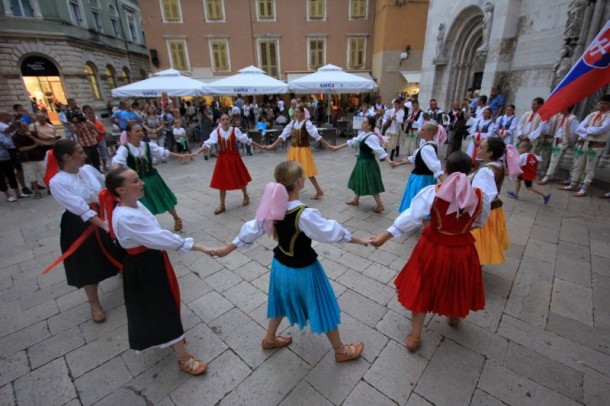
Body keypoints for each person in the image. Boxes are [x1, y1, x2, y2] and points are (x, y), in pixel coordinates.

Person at [208, 161, 368, 362]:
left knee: (281, 301)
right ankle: (341, 350)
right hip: (303, 269)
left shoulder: (273, 207)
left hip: (280, 266)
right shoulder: (303, 214)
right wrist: (361, 240)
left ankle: (269, 339)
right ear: (301, 182)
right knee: (320, 303)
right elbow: (331, 232)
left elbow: (252, 230)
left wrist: (226, 249)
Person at [370, 151, 497, 352]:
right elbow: (480, 222)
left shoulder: (433, 192)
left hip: (433, 247)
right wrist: (460, 228)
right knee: (456, 283)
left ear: (446, 171)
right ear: (471, 171)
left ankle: (415, 335)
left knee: (422, 287)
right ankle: (454, 317)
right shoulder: (481, 196)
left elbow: (411, 216)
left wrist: (384, 237)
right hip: (463, 248)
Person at [105, 167, 209, 376]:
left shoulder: (133, 207)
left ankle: (168, 339)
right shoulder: (126, 216)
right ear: (121, 190)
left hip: (148, 260)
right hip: (145, 266)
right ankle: (183, 357)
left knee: (160, 305)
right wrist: (200, 247)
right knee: (162, 307)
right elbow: (159, 237)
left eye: (139, 179)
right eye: (135, 181)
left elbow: (156, 234)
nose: (141, 183)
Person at [47, 140, 122, 322]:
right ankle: (94, 304)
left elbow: (106, 186)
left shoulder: (87, 169)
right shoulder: (57, 182)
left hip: (103, 212)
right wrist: (104, 225)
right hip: (80, 223)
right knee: (89, 263)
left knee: (120, 248)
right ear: (66, 157)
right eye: (80, 153)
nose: (85, 155)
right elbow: (81, 209)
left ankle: (125, 274)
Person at [111, 123, 185, 231]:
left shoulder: (147, 145)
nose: (141, 133)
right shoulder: (125, 148)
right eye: (137, 131)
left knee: (164, 197)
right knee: (144, 204)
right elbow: (118, 161)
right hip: (137, 182)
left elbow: (163, 152)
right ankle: (151, 227)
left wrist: (181, 155)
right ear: (129, 133)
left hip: (153, 177)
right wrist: (114, 175)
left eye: (141, 130)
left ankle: (176, 218)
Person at [194, 114, 264, 214]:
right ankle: (222, 205)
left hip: (234, 158)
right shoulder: (216, 132)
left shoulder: (235, 130)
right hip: (222, 159)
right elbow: (208, 144)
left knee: (240, 177)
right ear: (220, 122)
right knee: (222, 182)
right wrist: (197, 152)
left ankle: (245, 195)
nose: (225, 121)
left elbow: (247, 141)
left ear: (229, 120)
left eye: (227, 119)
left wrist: (261, 146)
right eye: (223, 119)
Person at [267, 106, 334, 200]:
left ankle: (319, 191)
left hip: (303, 150)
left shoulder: (307, 123)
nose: (295, 114)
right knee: (290, 171)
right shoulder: (293, 123)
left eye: (298, 112)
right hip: (293, 150)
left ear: (303, 113)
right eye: (295, 112)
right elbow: (283, 135)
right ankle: (289, 191)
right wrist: (273, 145)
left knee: (308, 172)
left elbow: (317, 136)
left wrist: (329, 146)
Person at [470, 137, 517, 265]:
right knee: (484, 241)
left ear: (490, 153)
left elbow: (483, 194)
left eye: (481, 147)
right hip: (495, 208)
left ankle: (474, 268)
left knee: (478, 241)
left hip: (485, 210)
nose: (478, 148)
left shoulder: (486, 170)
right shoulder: (498, 165)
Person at [332, 116, 387, 213]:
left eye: (364, 122)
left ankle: (379, 204)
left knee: (370, 181)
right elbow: (353, 142)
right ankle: (356, 199)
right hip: (362, 161)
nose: (362, 123)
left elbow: (379, 150)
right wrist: (337, 147)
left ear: (369, 126)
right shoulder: (363, 135)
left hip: (367, 163)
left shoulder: (372, 137)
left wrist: (389, 160)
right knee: (358, 178)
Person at [561, 95, 610, 197]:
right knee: (579, 164)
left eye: (605, 104)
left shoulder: (608, 116)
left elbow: (602, 129)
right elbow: (579, 128)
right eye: (601, 103)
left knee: (589, 168)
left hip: (597, 145)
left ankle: (584, 188)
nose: (602, 105)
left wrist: (587, 130)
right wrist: (590, 131)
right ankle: (574, 183)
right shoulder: (592, 115)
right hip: (586, 142)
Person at [392, 122, 445, 213]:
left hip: (421, 180)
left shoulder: (427, 148)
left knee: (418, 203)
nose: (420, 131)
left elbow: (436, 167)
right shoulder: (426, 146)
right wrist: (398, 163)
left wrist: (445, 184)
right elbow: (413, 158)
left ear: (431, 132)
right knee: (421, 204)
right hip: (423, 178)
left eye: (423, 130)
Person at [12, 120, 56, 199]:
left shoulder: (32, 134)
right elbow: (21, 149)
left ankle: (49, 188)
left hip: (38, 156)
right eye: (24, 127)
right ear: (18, 128)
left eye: (26, 126)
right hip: (26, 159)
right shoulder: (15, 137)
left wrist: (31, 137)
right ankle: (37, 191)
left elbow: (41, 143)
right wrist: (35, 146)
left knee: (44, 173)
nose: (26, 128)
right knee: (31, 176)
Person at [539, 106, 579, 185]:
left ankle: (547, 176)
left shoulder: (573, 119)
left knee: (554, 158)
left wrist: (569, 143)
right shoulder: (561, 117)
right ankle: (552, 174)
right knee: (555, 158)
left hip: (563, 141)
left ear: (567, 108)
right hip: (555, 140)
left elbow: (573, 133)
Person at [82, 105, 109, 172]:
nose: (92, 116)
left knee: (103, 146)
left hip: (99, 140)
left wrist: (97, 131)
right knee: (91, 154)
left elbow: (103, 133)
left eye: (92, 114)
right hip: (90, 142)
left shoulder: (98, 123)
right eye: (89, 114)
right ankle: (93, 169)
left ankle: (104, 166)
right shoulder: (84, 124)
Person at [0, 126, 20, 202]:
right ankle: (8, 195)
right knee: (1, 177)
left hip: (5, 157)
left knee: (11, 175)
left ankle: (18, 193)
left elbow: (8, 143)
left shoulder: (1, 134)